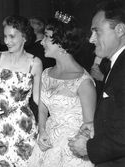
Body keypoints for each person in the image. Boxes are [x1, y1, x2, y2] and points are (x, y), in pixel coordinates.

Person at [28, 11, 96, 167]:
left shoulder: (84, 82)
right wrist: (42, 130)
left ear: (61, 43)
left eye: (46, 37)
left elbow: (89, 126)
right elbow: (43, 107)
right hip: (48, 141)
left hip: (71, 151)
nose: (42, 42)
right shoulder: (46, 74)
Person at [69, 1, 125, 166]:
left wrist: (89, 148)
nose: (91, 39)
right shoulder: (115, 64)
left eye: (97, 32)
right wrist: (98, 125)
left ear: (120, 30)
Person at [0, 15, 42, 167]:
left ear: (24, 37)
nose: (7, 41)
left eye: (12, 36)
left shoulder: (35, 63)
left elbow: (38, 99)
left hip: (23, 127)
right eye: (5, 36)